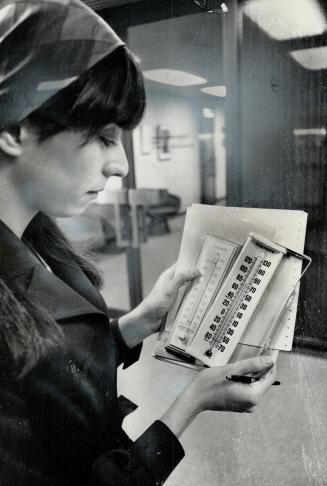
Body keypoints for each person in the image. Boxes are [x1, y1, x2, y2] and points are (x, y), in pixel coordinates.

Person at [0, 1, 276, 485]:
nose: (122, 166)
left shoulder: (41, 240)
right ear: (15, 128)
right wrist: (191, 402)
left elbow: (51, 368)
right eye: (105, 137)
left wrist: (137, 322)